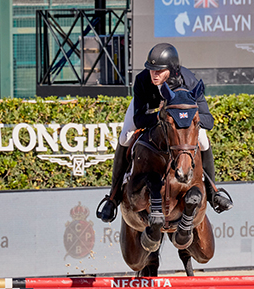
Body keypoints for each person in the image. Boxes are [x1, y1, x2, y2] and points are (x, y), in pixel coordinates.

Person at [96, 43, 233, 223]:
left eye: (159, 71)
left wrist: (186, 118)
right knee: (125, 137)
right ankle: (113, 197)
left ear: (172, 69)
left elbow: (209, 120)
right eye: (152, 69)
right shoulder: (142, 80)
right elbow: (139, 119)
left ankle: (213, 191)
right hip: (151, 115)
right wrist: (164, 118)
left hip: (182, 121)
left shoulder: (189, 81)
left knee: (203, 140)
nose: (154, 74)